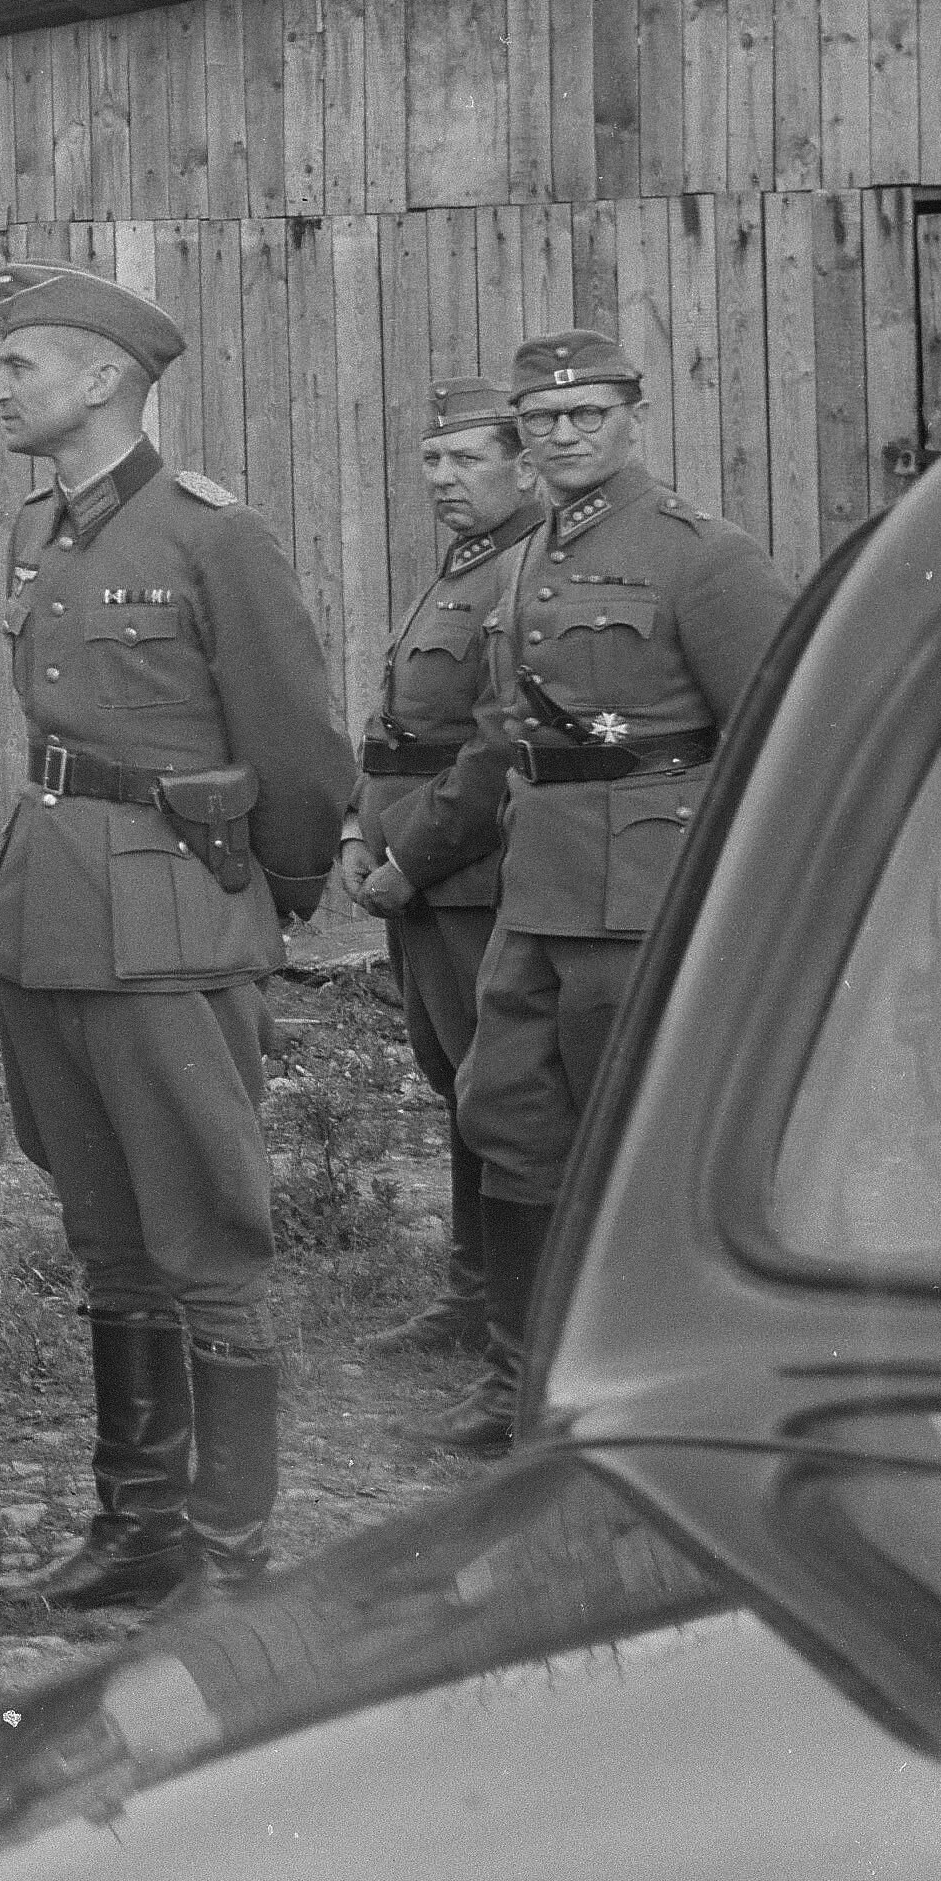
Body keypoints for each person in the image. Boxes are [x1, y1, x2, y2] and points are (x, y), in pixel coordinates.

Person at [0, 269, 353, 1632]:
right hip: (52, 916)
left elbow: (297, 747)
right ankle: (135, 1530)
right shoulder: (41, 528)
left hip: (173, 922)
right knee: (109, 1238)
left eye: (20, 365)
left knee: (207, 1238)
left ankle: (230, 1562)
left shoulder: (212, 536)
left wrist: (270, 896)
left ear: (101, 382)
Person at [417, 329, 794, 1452]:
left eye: (587, 413)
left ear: (632, 418)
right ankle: (520, 1378)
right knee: (507, 1113)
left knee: (638, 1131)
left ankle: (653, 1384)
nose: (565, 434)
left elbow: (773, 736)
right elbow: (508, 729)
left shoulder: (699, 554)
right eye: (542, 418)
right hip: (539, 880)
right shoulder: (528, 552)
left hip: (647, 889)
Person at [331, 382, 547, 1372]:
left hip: (463, 873)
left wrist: (407, 860)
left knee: (494, 1091)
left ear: (522, 467)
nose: (442, 479)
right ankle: (474, 1296)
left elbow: (495, 747)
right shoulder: (464, 566)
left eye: (466, 459)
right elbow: (396, 724)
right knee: (453, 1081)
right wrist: (354, 826)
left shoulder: (524, 569)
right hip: (410, 872)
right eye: (431, 459)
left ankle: (509, 1312)